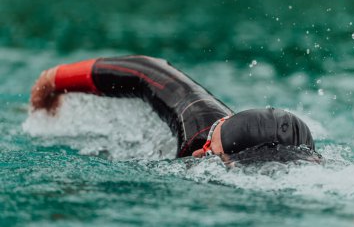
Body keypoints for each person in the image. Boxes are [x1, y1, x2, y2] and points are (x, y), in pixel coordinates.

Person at [31, 55, 320, 162]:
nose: (198, 151)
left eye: (212, 154)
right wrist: (55, 79)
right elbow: (148, 72)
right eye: (208, 141)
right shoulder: (202, 123)